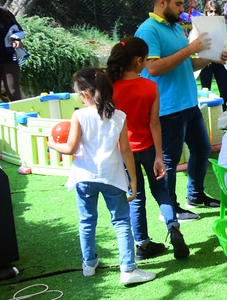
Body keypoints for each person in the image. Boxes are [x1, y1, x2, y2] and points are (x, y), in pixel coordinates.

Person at [48, 68, 156, 285]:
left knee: (87, 221)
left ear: (85, 95)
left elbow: (70, 148)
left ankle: (88, 264)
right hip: (112, 177)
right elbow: (126, 151)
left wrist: (51, 143)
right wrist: (132, 179)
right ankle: (128, 269)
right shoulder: (119, 116)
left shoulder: (79, 115)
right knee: (121, 222)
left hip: (84, 177)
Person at [135, 0, 227, 221]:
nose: (181, 10)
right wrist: (191, 48)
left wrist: (211, 59)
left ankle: (195, 195)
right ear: (162, 2)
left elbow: (185, 63)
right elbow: (153, 68)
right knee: (170, 160)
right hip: (167, 107)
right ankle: (171, 208)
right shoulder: (148, 30)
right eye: (177, 4)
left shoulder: (175, 27)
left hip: (188, 103)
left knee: (202, 149)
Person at [106, 37, 190, 261]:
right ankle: (173, 227)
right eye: (146, 60)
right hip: (149, 148)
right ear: (138, 60)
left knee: (136, 196)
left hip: (123, 152)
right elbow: (155, 124)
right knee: (161, 191)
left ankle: (142, 244)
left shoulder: (109, 87)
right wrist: (160, 156)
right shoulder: (150, 87)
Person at [198, 0, 227, 110]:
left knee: (224, 89)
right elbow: (193, 43)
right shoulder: (200, 24)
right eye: (210, 11)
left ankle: (223, 114)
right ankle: (206, 116)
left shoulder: (221, 25)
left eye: (216, 11)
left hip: (220, 62)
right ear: (206, 12)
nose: (213, 14)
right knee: (205, 90)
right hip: (205, 62)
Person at [0, 0, 24, 101]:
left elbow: (18, 31)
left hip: (9, 59)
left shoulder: (5, 14)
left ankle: (20, 115)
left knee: (13, 92)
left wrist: (16, 40)